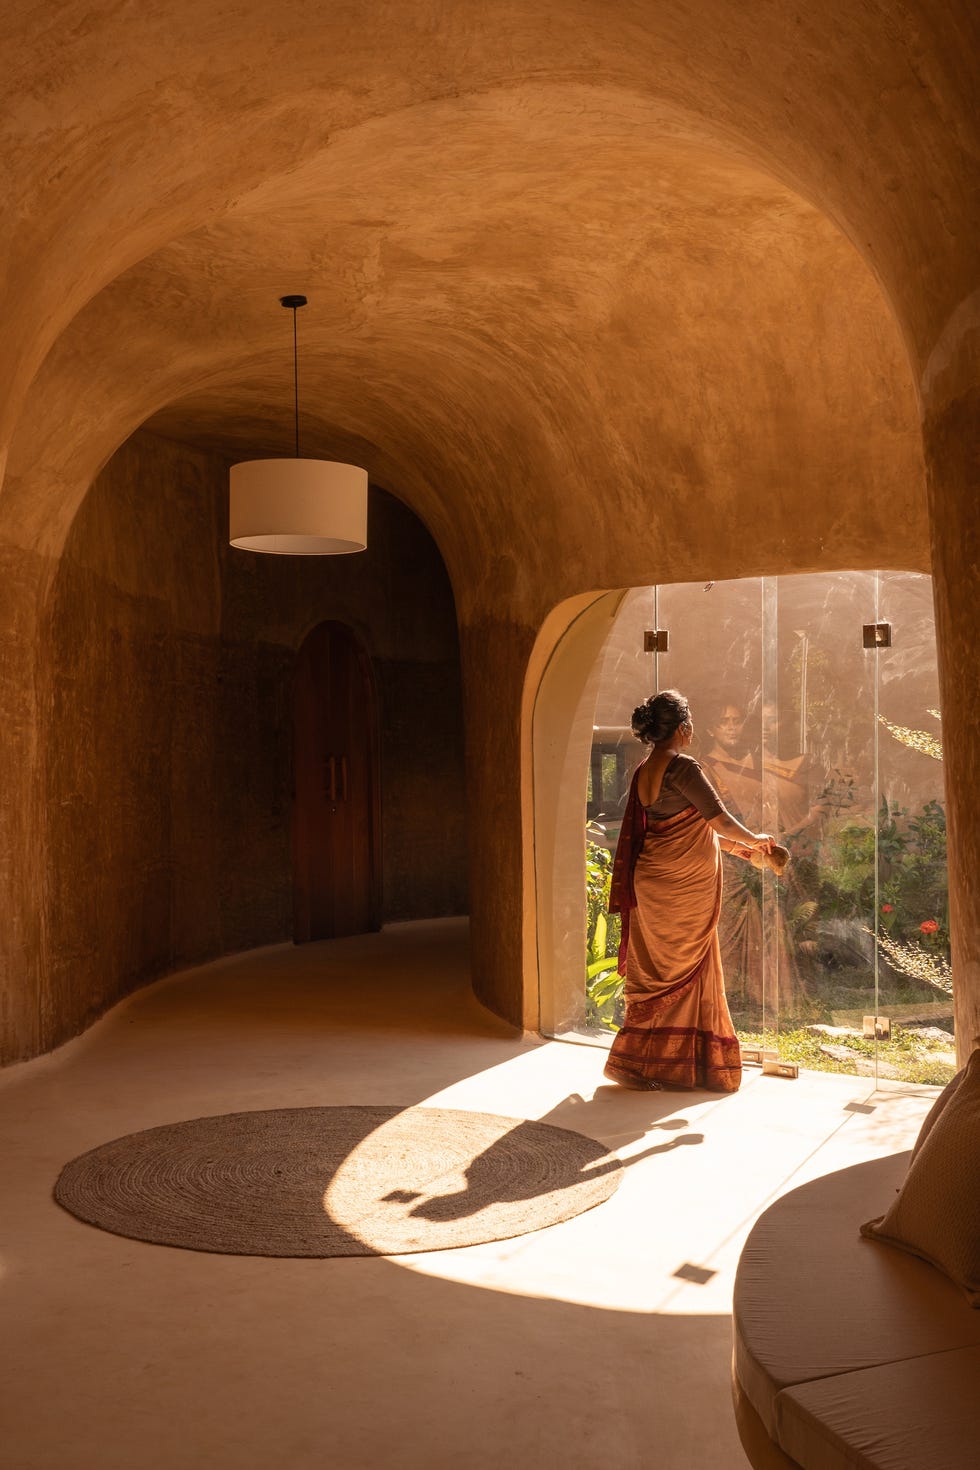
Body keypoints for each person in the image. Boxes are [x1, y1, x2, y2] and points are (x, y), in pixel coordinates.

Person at [604, 689, 776, 1092]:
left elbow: (688, 828)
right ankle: (684, 1065)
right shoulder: (683, 767)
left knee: (658, 972)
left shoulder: (645, 768)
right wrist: (756, 839)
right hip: (682, 889)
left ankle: (645, 1063)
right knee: (689, 968)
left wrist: (741, 850)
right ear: (683, 728)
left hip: (654, 883)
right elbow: (719, 821)